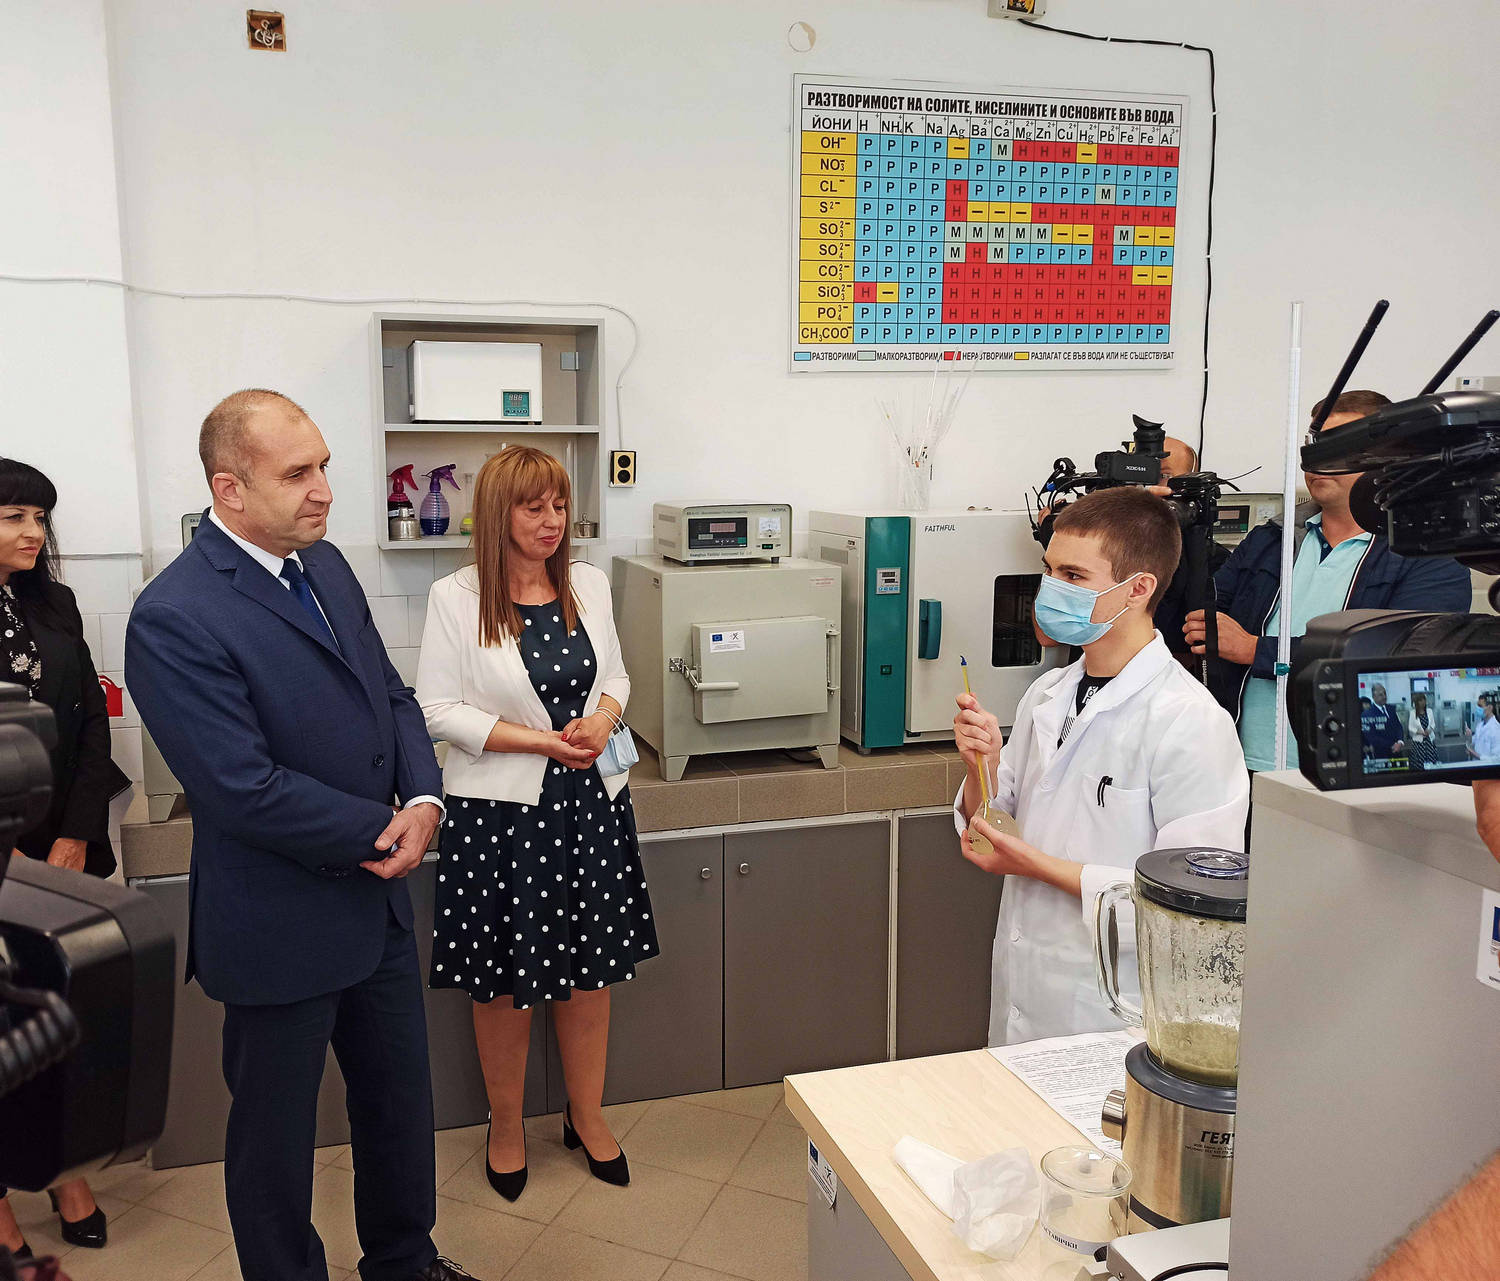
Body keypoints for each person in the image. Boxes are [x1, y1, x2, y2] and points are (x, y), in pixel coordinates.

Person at [125, 391, 478, 1281]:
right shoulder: (175, 614)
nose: (324, 488)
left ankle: (403, 1262)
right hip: (277, 922)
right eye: (297, 473)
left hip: (376, 908)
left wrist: (425, 797)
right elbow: (241, 788)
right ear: (230, 489)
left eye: (324, 465)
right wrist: (383, 826)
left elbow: (390, 693)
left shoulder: (324, 566)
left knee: (398, 1107)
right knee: (274, 1146)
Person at [417, 446, 657, 1200]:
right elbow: (435, 709)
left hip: (589, 807)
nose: (552, 521)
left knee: (591, 977)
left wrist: (604, 717)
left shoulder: (588, 582)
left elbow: (616, 674)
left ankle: (586, 1115)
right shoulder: (455, 597)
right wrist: (542, 741)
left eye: (559, 506)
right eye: (533, 507)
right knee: (499, 984)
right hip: (498, 817)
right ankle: (507, 1126)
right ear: (498, 514)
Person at [952, 487, 1248, 1045]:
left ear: (1138, 588)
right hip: (1025, 978)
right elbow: (992, 822)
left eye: (1073, 575)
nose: (1051, 589)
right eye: (1049, 571)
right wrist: (980, 766)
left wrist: (1037, 866)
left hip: (1114, 1005)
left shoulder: (1189, 720)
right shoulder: (1048, 693)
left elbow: (1189, 907)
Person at [1187, 391, 1472, 772]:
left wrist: (1258, 651)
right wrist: (1169, 527)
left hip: (1356, 767)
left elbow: (1403, 655)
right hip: (1243, 762)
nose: (1320, 459)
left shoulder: (1427, 552)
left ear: (1390, 456)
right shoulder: (1271, 538)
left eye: (1340, 446)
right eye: (1316, 445)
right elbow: (1203, 615)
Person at [0, 459, 129, 1260]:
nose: (34, 532)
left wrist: (76, 832)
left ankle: (64, 1171)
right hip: (2, 851)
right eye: (15, 516)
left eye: (40, 518)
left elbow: (89, 720)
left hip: (60, 849)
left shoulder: (55, 602)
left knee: (60, 1016)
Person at [1361, 683, 1406, 761]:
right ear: (1374, 697)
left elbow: (1398, 726)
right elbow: (1371, 736)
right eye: (1381, 695)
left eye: (1385, 693)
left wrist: (1400, 742)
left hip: (1397, 752)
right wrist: (1391, 745)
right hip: (1381, 754)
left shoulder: (1391, 709)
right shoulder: (1367, 714)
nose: (1384, 697)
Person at [1405, 692, 1438, 768]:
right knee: (1420, 763)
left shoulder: (1429, 711)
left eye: (1424, 700)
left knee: (1431, 762)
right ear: (1417, 702)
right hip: (1418, 743)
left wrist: (1429, 730)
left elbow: (1433, 724)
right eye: (1420, 700)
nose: (1423, 702)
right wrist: (1420, 732)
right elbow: (1410, 727)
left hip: (1429, 741)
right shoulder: (1412, 713)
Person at [1468, 696, 1500, 761]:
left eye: (1480, 706)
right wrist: (1469, 736)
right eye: (1477, 706)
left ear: (1490, 708)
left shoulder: (1496, 729)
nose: (1477, 709)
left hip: (1486, 766)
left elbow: (1497, 759)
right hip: (1476, 764)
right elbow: (1475, 740)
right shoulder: (1480, 725)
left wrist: (1475, 755)